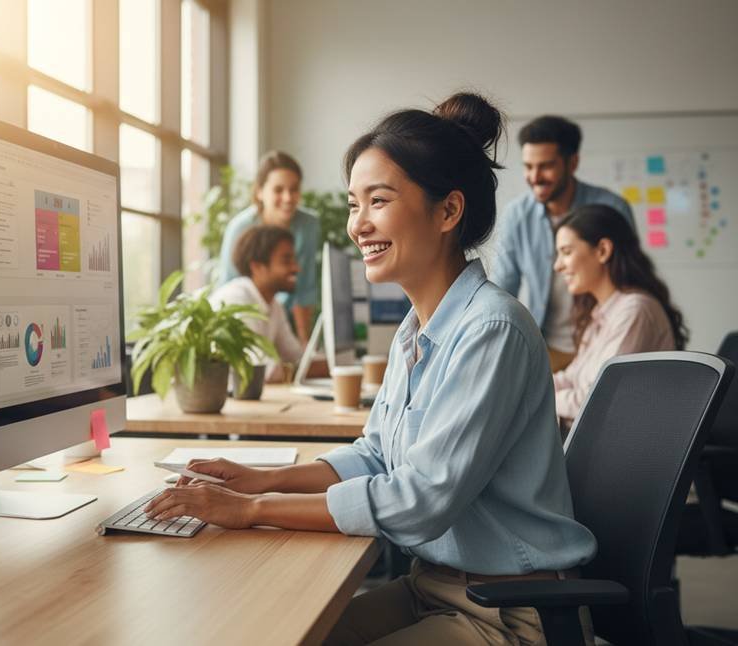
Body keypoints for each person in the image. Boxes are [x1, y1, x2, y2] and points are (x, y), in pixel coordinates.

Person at [146, 92, 596, 645]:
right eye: (353, 204)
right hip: (434, 588)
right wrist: (261, 479)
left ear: (448, 211)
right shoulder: (418, 329)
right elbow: (375, 454)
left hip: (510, 611)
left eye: (377, 201)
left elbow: (420, 499)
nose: (358, 225)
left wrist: (253, 509)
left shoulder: (490, 329)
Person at [491, 115, 636, 373]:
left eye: (546, 166)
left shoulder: (611, 208)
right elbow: (504, 288)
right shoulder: (516, 215)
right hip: (547, 346)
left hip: (602, 341)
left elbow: (629, 281)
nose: (535, 177)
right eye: (528, 166)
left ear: (573, 163)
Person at [553, 204, 687, 425]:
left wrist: (542, 398)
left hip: (622, 450)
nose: (558, 266)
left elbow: (598, 399)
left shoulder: (635, 311)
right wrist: (529, 388)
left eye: (566, 252)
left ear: (603, 250)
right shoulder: (600, 313)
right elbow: (570, 378)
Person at [217, 151, 320, 345]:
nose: (288, 198)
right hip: (244, 318)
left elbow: (303, 287)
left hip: (281, 317)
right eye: (278, 190)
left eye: (294, 189)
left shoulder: (308, 225)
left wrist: (304, 344)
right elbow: (229, 287)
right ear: (259, 192)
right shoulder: (240, 228)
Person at [209, 225, 303, 383]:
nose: (296, 268)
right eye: (286, 260)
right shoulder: (236, 299)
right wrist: (299, 370)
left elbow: (295, 356)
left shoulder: (274, 306)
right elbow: (263, 369)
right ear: (257, 267)